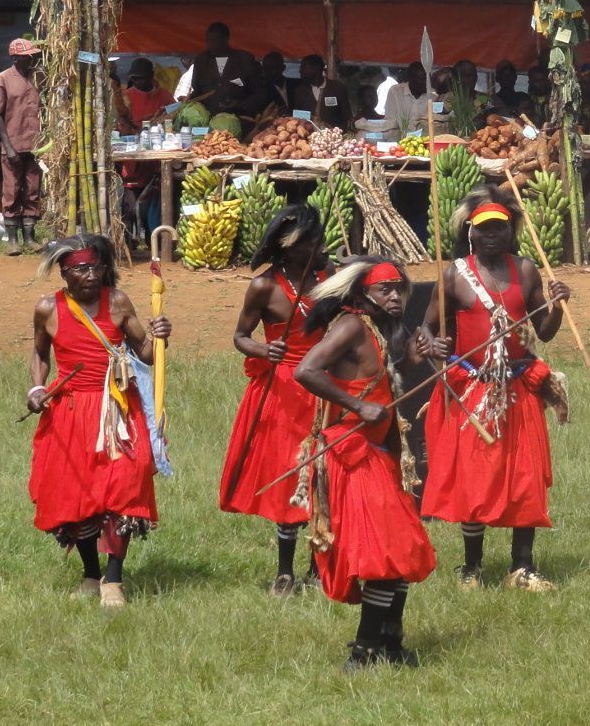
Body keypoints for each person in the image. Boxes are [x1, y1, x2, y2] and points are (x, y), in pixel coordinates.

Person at [421, 189, 572, 592]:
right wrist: (433, 345)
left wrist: (556, 306)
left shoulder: (525, 270)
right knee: (476, 477)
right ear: (471, 232)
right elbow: (426, 328)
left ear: (511, 232)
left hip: (518, 388)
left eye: (499, 229)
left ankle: (522, 567)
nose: (492, 236)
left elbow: (544, 332)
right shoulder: (455, 274)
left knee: (525, 477)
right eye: (484, 229)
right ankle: (471, 567)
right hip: (474, 388)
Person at [293, 257, 438, 671]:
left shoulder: (377, 329)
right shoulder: (351, 325)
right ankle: (363, 652)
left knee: (403, 550)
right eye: (384, 290)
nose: (395, 297)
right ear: (362, 295)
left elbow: (377, 379)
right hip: (352, 454)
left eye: (398, 290)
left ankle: (391, 643)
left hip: (379, 453)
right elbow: (306, 370)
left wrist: (409, 362)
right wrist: (357, 406)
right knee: (385, 554)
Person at [25, 234, 171, 607]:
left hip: (117, 408)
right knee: (79, 494)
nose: (91, 275)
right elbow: (40, 354)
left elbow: (145, 353)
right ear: (64, 272)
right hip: (71, 412)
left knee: (126, 485)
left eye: (96, 267)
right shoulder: (48, 308)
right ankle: (92, 573)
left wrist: (158, 338)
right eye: (81, 269)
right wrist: (37, 389)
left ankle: (114, 579)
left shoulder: (117, 301)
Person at [218, 206, 332, 595]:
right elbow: (240, 336)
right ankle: (285, 571)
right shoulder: (264, 287)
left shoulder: (329, 277)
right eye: (312, 243)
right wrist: (264, 351)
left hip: (327, 384)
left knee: (323, 473)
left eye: (320, 240)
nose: (321, 248)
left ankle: (320, 566)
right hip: (286, 390)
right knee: (291, 474)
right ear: (290, 248)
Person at [0, 37, 43, 254]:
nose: (31, 59)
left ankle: (29, 237)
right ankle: (12, 239)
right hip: (13, 144)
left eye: (32, 56)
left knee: (32, 190)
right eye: (26, 57)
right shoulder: (3, 78)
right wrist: (8, 146)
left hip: (35, 145)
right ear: (14, 58)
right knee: (11, 191)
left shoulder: (38, 77)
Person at [177, 21, 265, 118]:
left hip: (238, 118)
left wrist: (239, 103)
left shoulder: (244, 60)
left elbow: (259, 94)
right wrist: (188, 100)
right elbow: (198, 91)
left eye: (215, 40)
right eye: (209, 40)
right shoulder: (201, 61)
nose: (211, 44)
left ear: (226, 39)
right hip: (208, 119)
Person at [293, 54, 353, 130]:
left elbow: (348, 118)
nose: (300, 71)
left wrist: (337, 131)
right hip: (308, 136)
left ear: (316, 68)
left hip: (333, 135)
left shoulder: (337, 88)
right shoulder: (300, 91)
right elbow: (297, 118)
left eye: (303, 67)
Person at [382, 61, 433, 135]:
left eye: (428, 79)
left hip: (426, 139)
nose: (426, 83)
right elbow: (390, 121)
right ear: (410, 78)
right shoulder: (395, 92)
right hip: (399, 139)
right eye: (422, 79)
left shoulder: (433, 95)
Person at [123, 58, 175, 128]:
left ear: (151, 75)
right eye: (134, 78)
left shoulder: (165, 96)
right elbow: (121, 124)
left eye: (141, 78)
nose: (137, 82)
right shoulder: (126, 97)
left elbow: (174, 118)